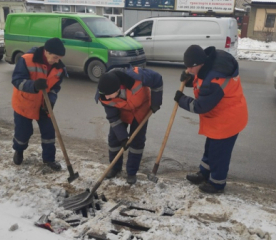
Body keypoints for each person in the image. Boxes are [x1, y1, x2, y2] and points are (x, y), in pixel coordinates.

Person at [174, 45, 248, 194]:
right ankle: (204, 173)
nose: (188, 70)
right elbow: (201, 80)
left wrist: (182, 100)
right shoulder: (207, 65)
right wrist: (190, 79)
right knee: (210, 148)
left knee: (219, 154)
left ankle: (217, 184)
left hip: (228, 120)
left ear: (198, 64)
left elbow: (201, 106)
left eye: (190, 67)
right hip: (218, 118)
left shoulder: (215, 80)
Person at [95, 66, 163, 184]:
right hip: (122, 110)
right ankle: (115, 168)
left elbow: (157, 79)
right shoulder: (103, 94)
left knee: (137, 141)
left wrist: (156, 102)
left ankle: (131, 172)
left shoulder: (138, 76)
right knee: (114, 139)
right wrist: (123, 137)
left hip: (141, 108)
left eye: (109, 95)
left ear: (117, 89)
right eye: (104, 95)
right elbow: (113, 118)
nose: (106, 98)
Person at [11, 38, 67, 171]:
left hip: (44, 104)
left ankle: (49, 159)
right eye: (55, 57)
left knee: (49, 132)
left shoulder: (59, 68)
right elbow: (17, 80)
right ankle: (19, 151)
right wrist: (34, 85)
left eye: (59, 58)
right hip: (25, 102)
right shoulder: (26, 60)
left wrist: (51, 101)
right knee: (23, 132)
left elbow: (55, 88)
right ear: (46, 52)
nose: (57, 60)